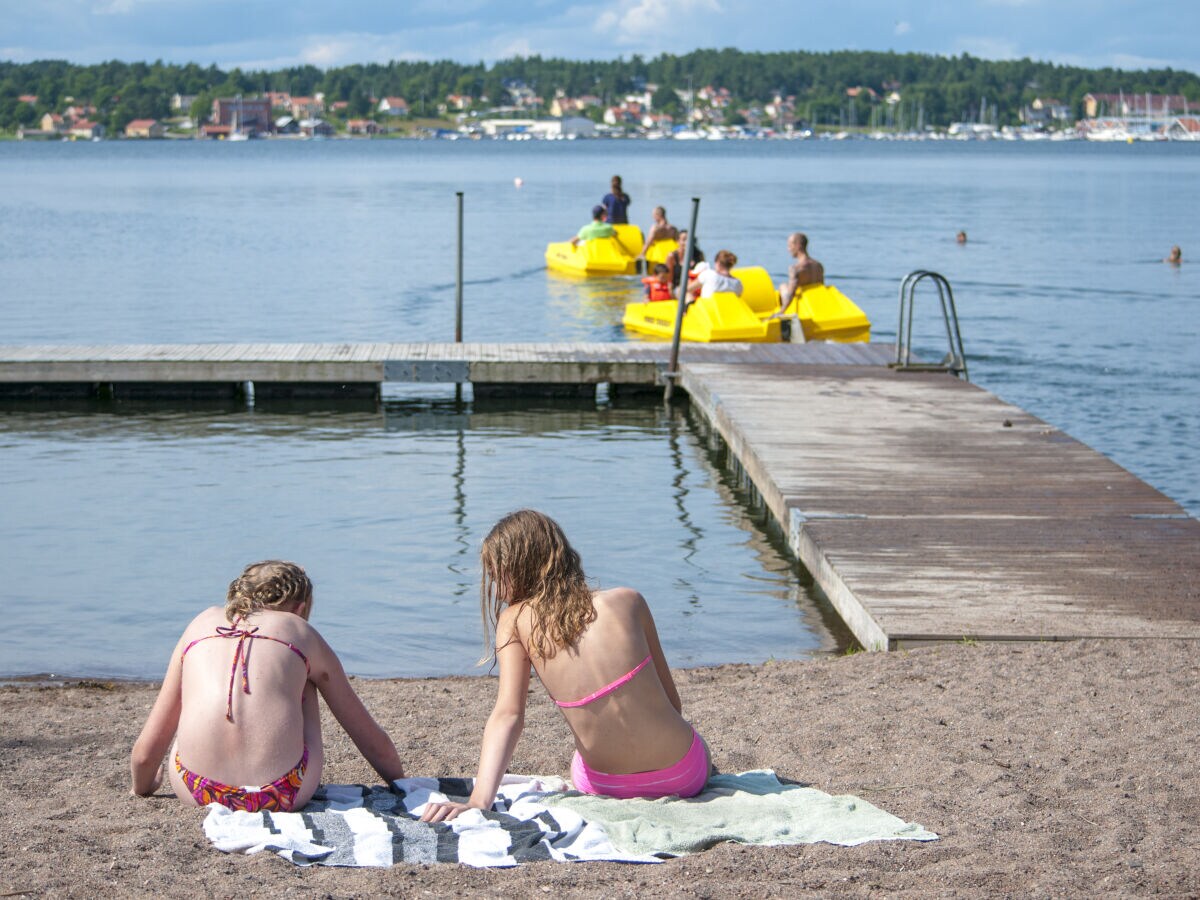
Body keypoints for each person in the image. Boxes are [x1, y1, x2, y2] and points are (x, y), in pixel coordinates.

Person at [420, 510, 710, 822]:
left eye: (495, 577)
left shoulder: (514, 621)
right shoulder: (629, 600)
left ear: (518, 569)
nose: (497, 592)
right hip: (683, 776)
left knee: (580, 758)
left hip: (604, 784)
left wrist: (479, 801)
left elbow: (509, 714)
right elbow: (673, 705)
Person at [130, 560, 405, 812]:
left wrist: (142, 787)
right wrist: (403, 784)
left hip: (198, 789)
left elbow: (145, 753)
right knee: (305, 679)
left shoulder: (200, 623)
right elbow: (369, 738)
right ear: (299, 607)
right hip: (283, 792)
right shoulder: (300, 631)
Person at [777, 233, 824, 310]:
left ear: (798, 245)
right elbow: (821, 289)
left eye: (789, 245)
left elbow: (790, 295)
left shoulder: (796, 268)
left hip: (802, 306)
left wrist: (781, 311)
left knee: (783, 286)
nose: (788, 249)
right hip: (815, 304)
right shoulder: (818, 266)